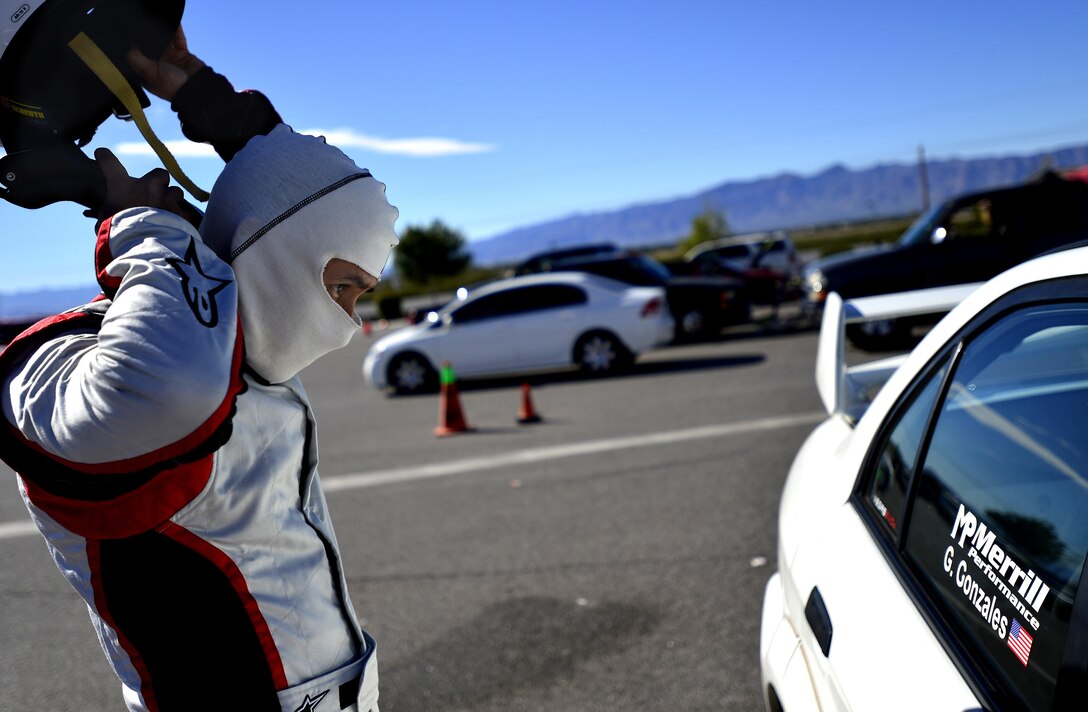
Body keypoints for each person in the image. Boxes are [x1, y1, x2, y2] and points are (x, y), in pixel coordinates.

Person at [0, 27, 397, 712]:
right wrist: (142, 227)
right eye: (342, 286)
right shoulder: (71, 359)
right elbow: (161, 391)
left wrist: (216, 106)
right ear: (275, 250)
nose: (349, 321)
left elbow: (299, 201)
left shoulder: (237, 341)